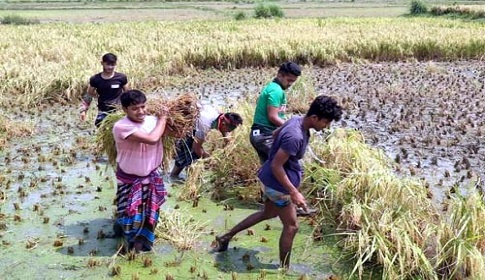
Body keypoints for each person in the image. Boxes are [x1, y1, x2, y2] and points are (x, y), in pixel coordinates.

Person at [215, 95, 343, 269]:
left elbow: (275, 134)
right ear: (314, 118)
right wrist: (293, 192)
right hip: (278, 186)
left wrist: (282, 155)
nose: (326, 126)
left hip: (270, 180)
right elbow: (277, 165)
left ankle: (225, 237)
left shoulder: (296, 121)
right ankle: (284, 268)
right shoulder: (295, 136)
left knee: (267, 214)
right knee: (291, 226)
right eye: (325, 122)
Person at [112, 89, 169, 253]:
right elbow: (152, 139)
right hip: (130, 181)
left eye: (143, 106)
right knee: (131, 218)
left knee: (150, 217)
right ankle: (127, 239)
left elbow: (172, 132)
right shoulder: (121, 127)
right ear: (125, 110)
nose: (141, 111)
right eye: (135, 108)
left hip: (151, 178)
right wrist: (163, 118)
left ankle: (141, 245)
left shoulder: (153, 121)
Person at [169, 104, 243, 181]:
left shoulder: (219, 116)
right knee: (191, 155)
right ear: (224, 123)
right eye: (231, 128)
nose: (231, 131)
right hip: (185, 127)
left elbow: (223, 127)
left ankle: (178, 177)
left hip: (194, 123)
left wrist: (226, 139)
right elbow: (196, 147)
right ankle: (185, 180)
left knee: (188, 154)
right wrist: (209, 159)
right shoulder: (205, 124)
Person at [250, 61, 301, 164]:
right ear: (280, 76)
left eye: (293, 81)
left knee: (268, 171)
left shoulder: (272, 87)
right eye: (289, 80)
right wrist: (293, 126)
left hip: (259, 134)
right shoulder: (276, 91)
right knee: (294, 164)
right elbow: (273, 117)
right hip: (265, 135)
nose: (290, 84)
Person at [80, 53, 129, 127]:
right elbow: (89, 95)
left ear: (115, 64)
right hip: (103, 110)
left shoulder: (121, 77)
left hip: (118, 111)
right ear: (102, 63)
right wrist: (84, 110)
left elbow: (128, 94)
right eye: (107, 64)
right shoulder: (95, 79)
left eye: (112, 65)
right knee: (100, 128)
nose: (110, 67)